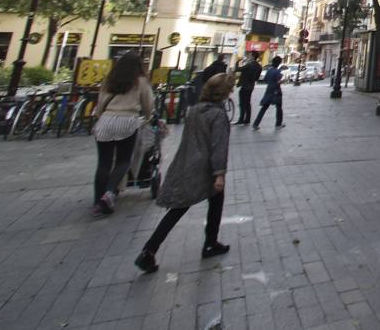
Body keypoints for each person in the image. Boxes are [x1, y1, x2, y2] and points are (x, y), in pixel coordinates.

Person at [134, 72, 234, 273]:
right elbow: (218, 147)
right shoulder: (218, 115)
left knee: (180, 208)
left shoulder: (194, 110)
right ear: (224, 93)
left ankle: (150, 250)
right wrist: (219, 174)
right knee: (213, 202)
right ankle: (209, 243)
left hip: (187, 163)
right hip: (205, 167)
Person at [91, 53, 155, 215]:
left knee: (103, 163)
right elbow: (148, 104)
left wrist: (99, 118)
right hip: (127, 121)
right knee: (123, 161)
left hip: (105, 121)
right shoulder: (140, 81)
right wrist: (148, 117)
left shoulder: (109, 80)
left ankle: (98, 200)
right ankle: (110, 193)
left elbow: (100, 104)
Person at [252, 57, 285, 129]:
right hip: (276, 91)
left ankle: (256, 123)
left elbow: (265, 80)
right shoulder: (277, 71)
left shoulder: (269, 70)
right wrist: (281, 81)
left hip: (269, 90)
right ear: (278, 63)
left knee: (264, 108)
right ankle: (278, 124)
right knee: (279, 108)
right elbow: (278, 81)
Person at [235, 52, 263, 126]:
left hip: (245, 85)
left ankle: (241, 119)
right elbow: (257, 77)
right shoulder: (259, 66)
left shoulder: (249, 65)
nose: (249, 56)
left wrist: (238, 62)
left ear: (253, 57)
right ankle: (247, 119)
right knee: (247, 103)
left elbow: (238, 69)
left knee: (242, 103)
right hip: (251, 86)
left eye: (250, 55)